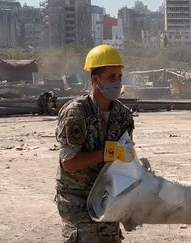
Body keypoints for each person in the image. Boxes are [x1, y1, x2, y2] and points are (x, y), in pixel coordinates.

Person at [55, 45, 134, 242]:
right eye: (111, 77)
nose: (116, 82)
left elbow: (124, 159)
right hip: (76, 197)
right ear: (95, 79)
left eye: (119, 77)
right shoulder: (76, 113)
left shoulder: (123, 115)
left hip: (107, 196)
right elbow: (69, 163)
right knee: (85, 237)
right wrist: (105, 154)